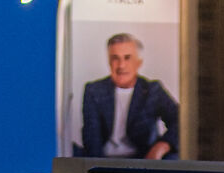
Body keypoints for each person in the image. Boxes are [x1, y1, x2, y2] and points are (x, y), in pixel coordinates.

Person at [74, 32, 180, 160]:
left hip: (143, 159)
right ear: (108, 61)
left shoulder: (152, 90)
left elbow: (180, 121)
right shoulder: (94, 90)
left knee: (173, 158)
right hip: (104, 158)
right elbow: (91, 135)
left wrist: (161, 146)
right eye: (115, 58)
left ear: (139, 62)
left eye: (127, 57)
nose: (121, 65)